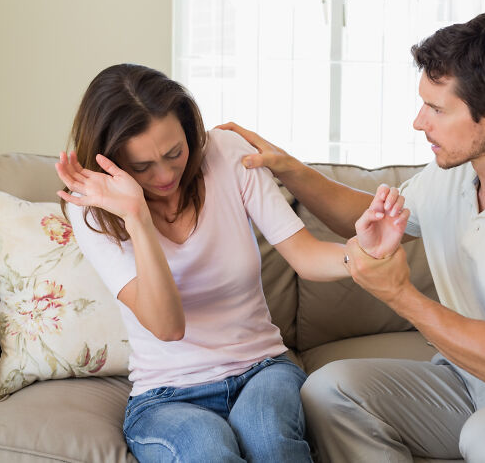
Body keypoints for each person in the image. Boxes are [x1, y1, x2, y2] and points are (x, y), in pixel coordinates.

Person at [218, 12, 485, 463]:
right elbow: (367, 218)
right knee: (327, 390)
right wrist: (289, 169)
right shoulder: (456, 175)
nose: (419, 122)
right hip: (468, 381)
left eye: (437, 109)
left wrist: (401, 295)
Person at [54, 63, 408, 463]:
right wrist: (136, 216)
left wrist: (365, 251)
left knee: (270, 439)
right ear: (110, 161)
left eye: (175, 153)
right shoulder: (92, 210)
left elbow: (304, 254)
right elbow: (168, 327)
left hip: (262, 369)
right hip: (166, 395)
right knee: (207, 452)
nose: (166, 174)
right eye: (142, 167)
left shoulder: (227, 153)